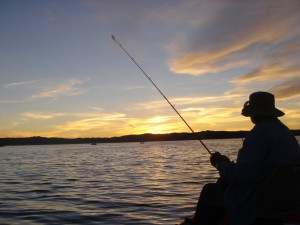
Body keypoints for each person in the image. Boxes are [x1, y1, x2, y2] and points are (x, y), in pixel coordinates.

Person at [182, 91, 300, 225]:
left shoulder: (258, 135)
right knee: (223, 183)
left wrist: (220, 165)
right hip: (285, 199)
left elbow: (242, 177)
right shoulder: (286, 132)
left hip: (260, 199)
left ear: (253, 113)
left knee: (210, 190)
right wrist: (228, 166)